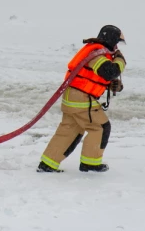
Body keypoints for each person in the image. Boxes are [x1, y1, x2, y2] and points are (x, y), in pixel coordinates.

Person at [38, 25, 126, 173]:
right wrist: (120, 60)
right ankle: (90, 164)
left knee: (70, 130)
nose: (117, 46)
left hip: (73, 97)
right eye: (116, 42)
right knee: (100, 127)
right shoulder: (97, 52)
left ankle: (48, 163)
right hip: (81, 98)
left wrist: (113, 86)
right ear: (110, 39)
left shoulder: (95, 51)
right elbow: (110, 72)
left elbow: (95, 76)